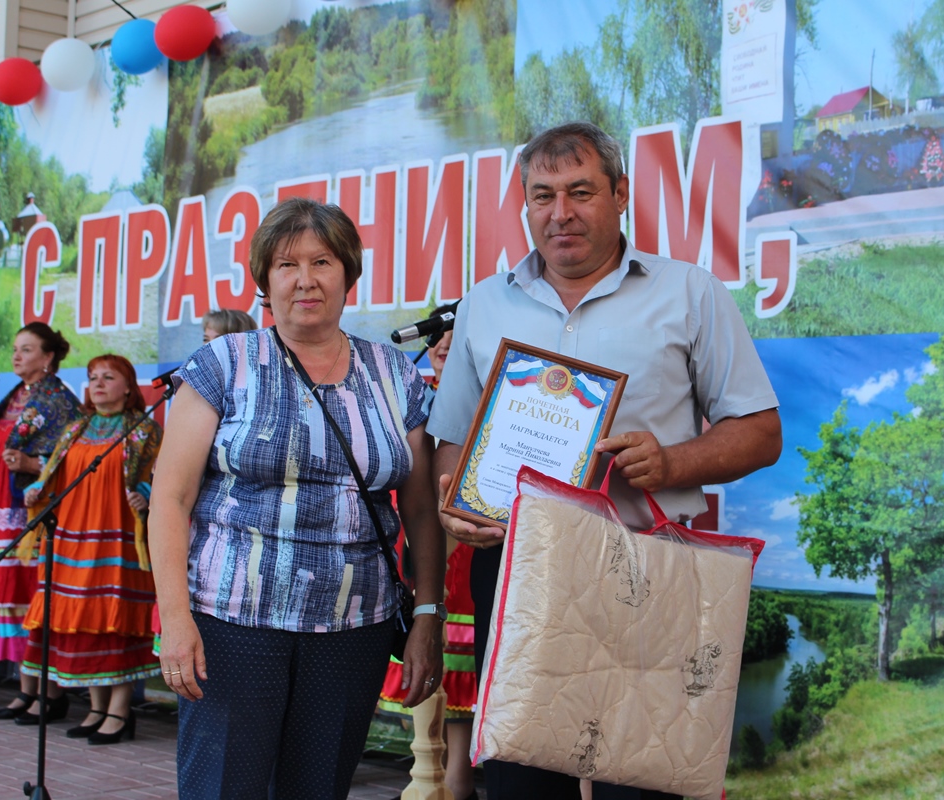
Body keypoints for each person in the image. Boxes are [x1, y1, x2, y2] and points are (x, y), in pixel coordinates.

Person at [428, 122, 783, 800]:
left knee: (642, 783)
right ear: (525, 205)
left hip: (646, 562)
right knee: (518, 782)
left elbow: (761, 432)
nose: (561, 213)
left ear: (620, 195)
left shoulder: (689, 292)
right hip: (517, 569)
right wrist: (460, 507)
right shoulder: (483, 303)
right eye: (543, 196)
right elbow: (453, 442)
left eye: (581, 192)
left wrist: (672, 464)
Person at [149, 197, 446, 800]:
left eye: (323, 261)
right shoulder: (221, 364)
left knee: (318, 789)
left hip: (352, 627)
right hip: (231, 625)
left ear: (349, 275)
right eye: (286, 264)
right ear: (264, 279)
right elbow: (170, 501)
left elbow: (420, 511)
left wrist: (427, 618)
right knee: (222, 789)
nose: (305, 279)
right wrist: (176, 622)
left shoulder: (395, 374)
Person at [21, 354, 162, 745]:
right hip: (71, 537)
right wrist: (37, 491)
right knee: (83, 623)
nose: (98, 384)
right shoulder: (75, 427)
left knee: (112, 623)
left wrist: (146, 495)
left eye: (108, 377)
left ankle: (119, 712)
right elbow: (54, 475)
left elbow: (158, 473)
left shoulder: (144, 429)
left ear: (129, 386)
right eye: (92, 378)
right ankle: (96, 708)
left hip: (116, 537)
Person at [0, 322, 81, 723]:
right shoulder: (15, 396)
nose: (16, 356)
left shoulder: (58, 401)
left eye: (26, 350)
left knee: (30, 599)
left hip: (25, 512)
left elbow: (71, 458)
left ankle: (51, 692)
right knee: (9, 604)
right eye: (15, 349)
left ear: (48, 358)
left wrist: (32, 464)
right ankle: (26, 690)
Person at [379, 301, 478, 800]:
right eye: (439, 336)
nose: (443, 344)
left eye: (457, 337)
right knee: (422, 641)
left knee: (462, 660)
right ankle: (426, 773)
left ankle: (454, 779)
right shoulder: (412, 399)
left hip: (472, 540)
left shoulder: (483, 402)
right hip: (417, 536)